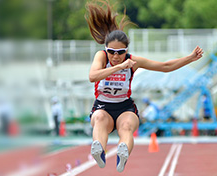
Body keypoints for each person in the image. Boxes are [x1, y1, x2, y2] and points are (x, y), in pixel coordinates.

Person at [85, 0, 203, 172]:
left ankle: (122, 153)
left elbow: (165, 67)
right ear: (106, 49)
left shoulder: (134, 61)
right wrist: (118, 67)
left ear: (126, 50)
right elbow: (92, 76)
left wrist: (189, 58)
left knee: (127, 126)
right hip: (103, 105)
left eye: (120, 52)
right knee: (100, 120)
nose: (115, 56)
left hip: (125, 107)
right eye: (112, 52)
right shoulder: (101, 57)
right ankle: (98, 149)